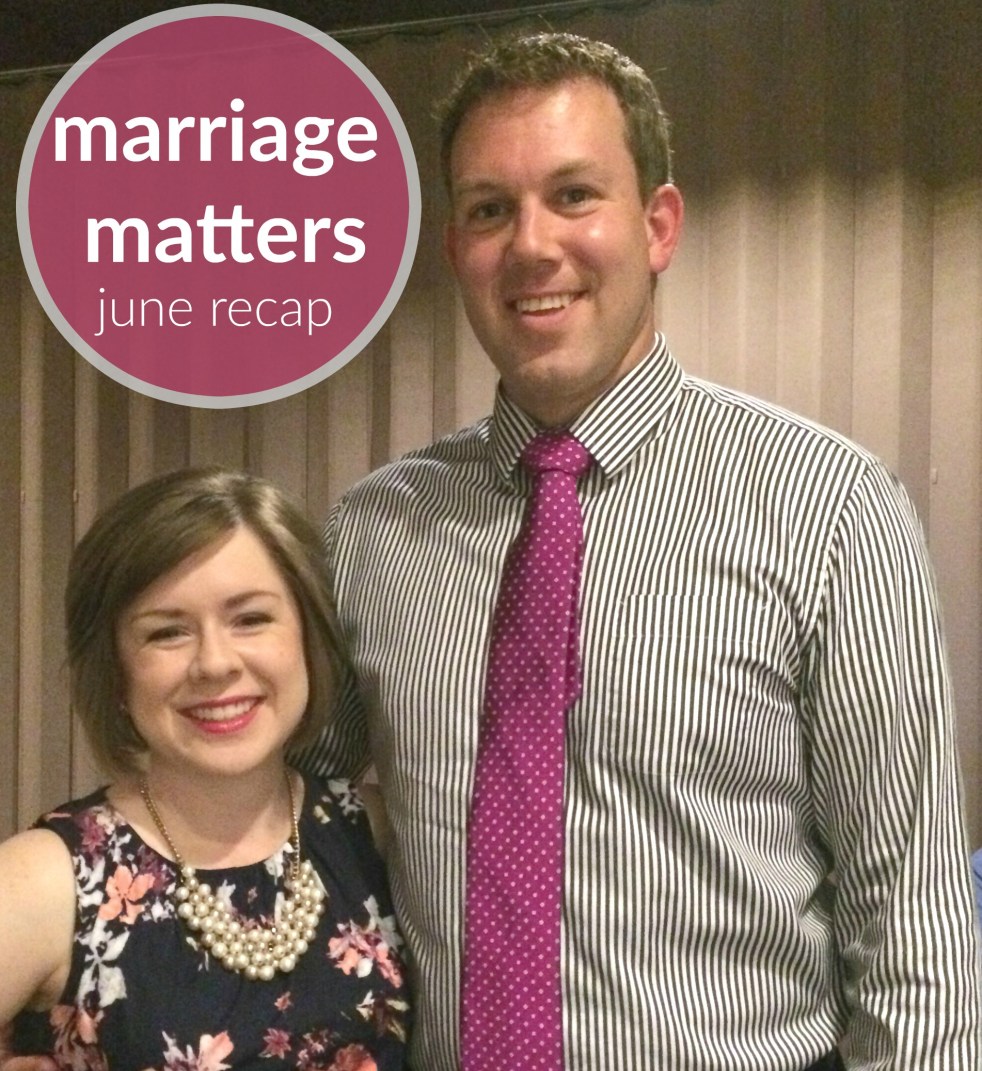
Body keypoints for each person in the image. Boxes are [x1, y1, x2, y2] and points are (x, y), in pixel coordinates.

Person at [299, 31, 982, 1071]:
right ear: (455, 248)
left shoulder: (828, 508)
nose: (531, 245)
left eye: (573, 195)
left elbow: (912, 927)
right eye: (490, 209)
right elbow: (272, 817)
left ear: (658, 225)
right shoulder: (373, 534)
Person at [0, 468, 409, 1071]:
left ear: (308, 636)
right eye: (167, 633)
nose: (215, 664)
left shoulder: (375, 832)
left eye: (251, 619)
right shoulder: (46, 880)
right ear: (114, 671)